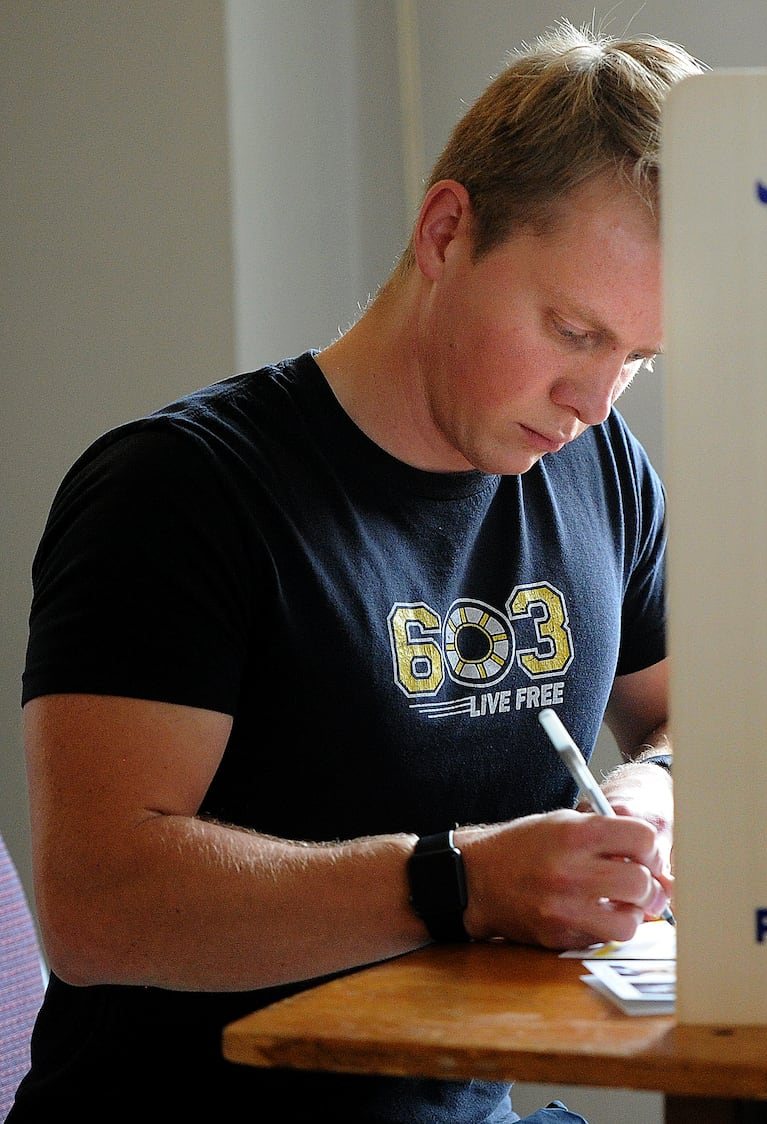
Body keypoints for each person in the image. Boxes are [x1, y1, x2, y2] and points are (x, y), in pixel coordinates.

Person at [11, 20, 704, 1123]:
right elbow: (97, 906)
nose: (597, 398)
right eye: (573, 329)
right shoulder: (179, 490)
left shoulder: (599, 466)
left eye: (638, 356)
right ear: (444, 231)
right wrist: (460, 883)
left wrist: (650, 793)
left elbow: (694, 720)